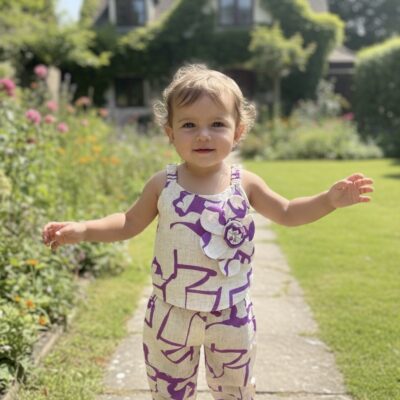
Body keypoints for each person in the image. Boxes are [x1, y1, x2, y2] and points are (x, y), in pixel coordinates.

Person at [42, 64, 374, 400]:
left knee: (235, 390)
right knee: (169, 391)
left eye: (217, 124)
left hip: (231, 315)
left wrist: (328, 200)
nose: (203, 135)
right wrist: (83, 229)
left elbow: (287, 212)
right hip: (170, 314)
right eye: (189, 125)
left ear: (238, 131)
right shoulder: (163, 184)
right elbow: (128, 223)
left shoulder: (245, 183)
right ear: (170, 133)